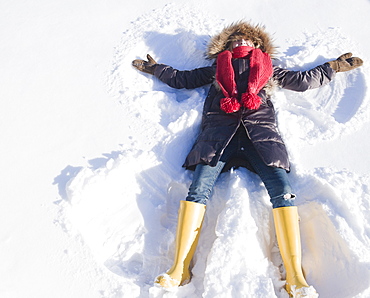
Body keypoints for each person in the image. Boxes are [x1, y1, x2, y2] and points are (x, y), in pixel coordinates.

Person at [132, 21, 363, 297]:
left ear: (258, 46)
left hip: (261, 141)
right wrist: (157, 69)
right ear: (226, 47)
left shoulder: (269, 69)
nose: (241, 42)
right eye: (235, 40)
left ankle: (294, 277)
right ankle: (179, 269)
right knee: (197, 191)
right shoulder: (217, 69)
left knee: (283, 192)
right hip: (219, 139)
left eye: (248, 40)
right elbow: (184, 79)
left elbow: (302, 81)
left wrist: (333, 67)